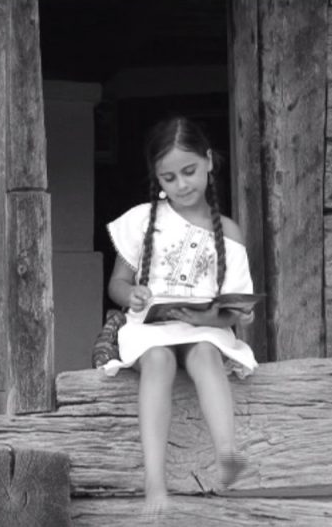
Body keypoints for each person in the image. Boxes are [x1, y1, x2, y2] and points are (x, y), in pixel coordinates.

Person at [103, 115, 257, 515]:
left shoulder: (229, 232)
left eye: (189, 171)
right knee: (158, 361)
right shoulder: (143, 220)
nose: (181, 185)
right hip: (150, 330)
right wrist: (132, 293)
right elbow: (117, 283)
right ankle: (155, 482)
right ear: (157, 179)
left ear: (209, 161)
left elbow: (235, 306)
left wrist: (224, 316)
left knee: (204, 353)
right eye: (169, 178)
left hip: (204, 330)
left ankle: (227, 453)